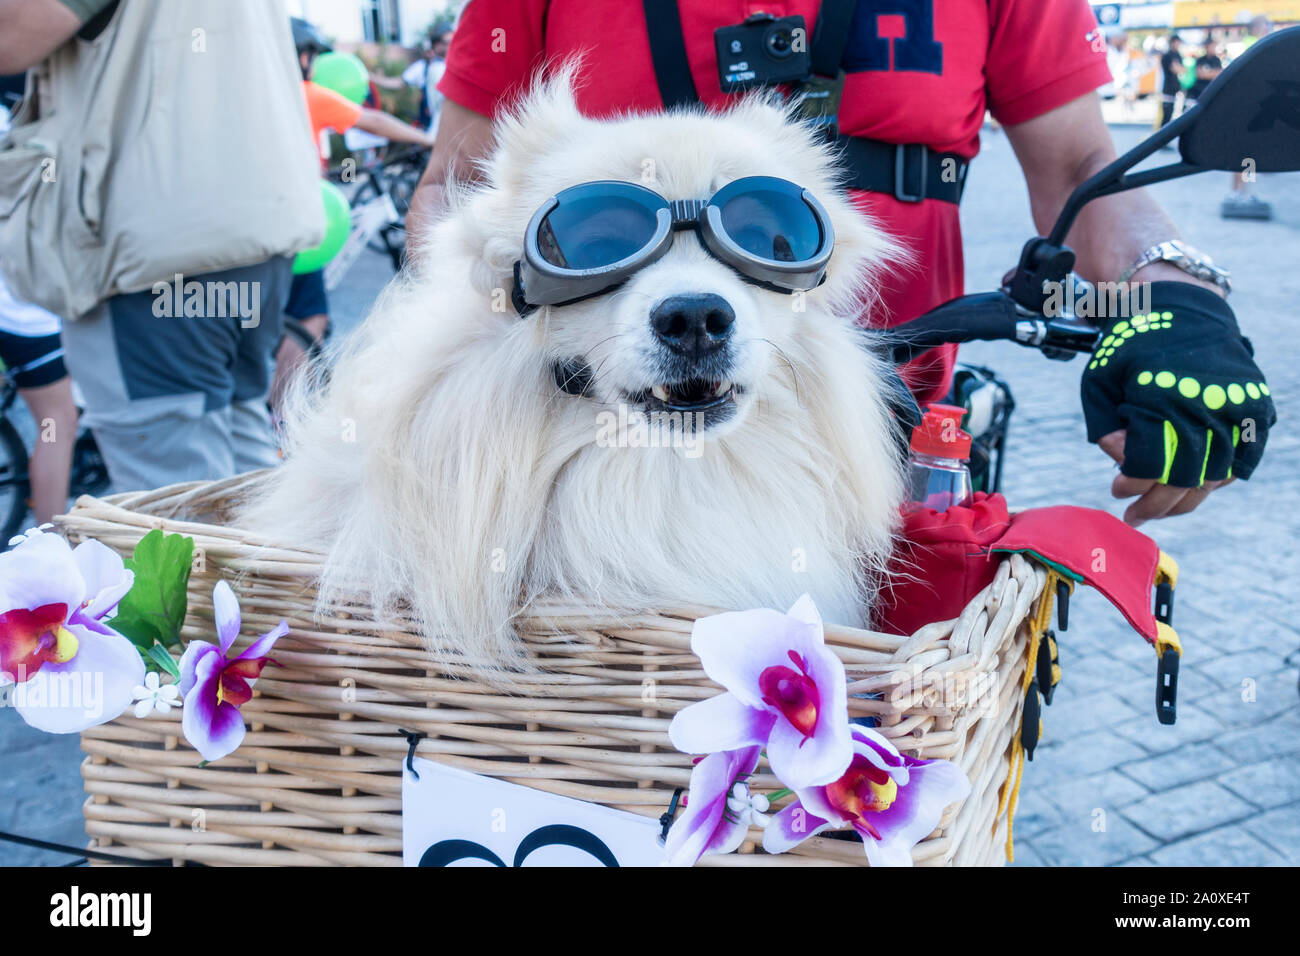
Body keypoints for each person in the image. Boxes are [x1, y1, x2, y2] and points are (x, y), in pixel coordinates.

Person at [407, 0, 1273, 527]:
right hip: (560, 478)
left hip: (893, 455)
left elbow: (1082, 166)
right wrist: (432, 392)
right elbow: (455, 186)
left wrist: (1184, 301)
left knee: (889, 785)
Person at [0, 0, 324, 493]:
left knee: (179, 516)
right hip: (250, 230)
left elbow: (13, 32)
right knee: (245, 484)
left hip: (153, 247)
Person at [274, 18, 436, 411]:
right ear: (302, 57)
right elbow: (371, 120)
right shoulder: (303, 93)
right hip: (297, 220)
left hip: (264, 222)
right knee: (308, 315)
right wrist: (425, 138)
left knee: (271, 313)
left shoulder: (259, 95)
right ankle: (281, 411)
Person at [1222, 17, 1274, 220]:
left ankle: (1244, 192)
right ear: (1260, 28)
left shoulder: (1249, 47)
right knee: (1245, 154)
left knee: (1248, 155)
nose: (1269, 30)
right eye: (1267, 26)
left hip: (1250, 110)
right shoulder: (1258, 47)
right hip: (1249, 111)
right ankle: (1240, 193)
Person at [373, 31, 453, 136]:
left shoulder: (453, 66)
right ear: (436, 45)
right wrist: (374, 78)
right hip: (434, 126)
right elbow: (400, 82)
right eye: (447, 42)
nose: (451, 45)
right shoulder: (426, 67)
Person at [1158, 33, 1185, 130]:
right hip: (1167, 88)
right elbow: (1174, 69)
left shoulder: (1178, 55)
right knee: (1166, 114)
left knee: (1172, 114)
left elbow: (1182, 69)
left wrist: (1178, 67)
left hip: (1175, 87)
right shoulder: (1167, 56)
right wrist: (1178, 68)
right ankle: (1161, 138)